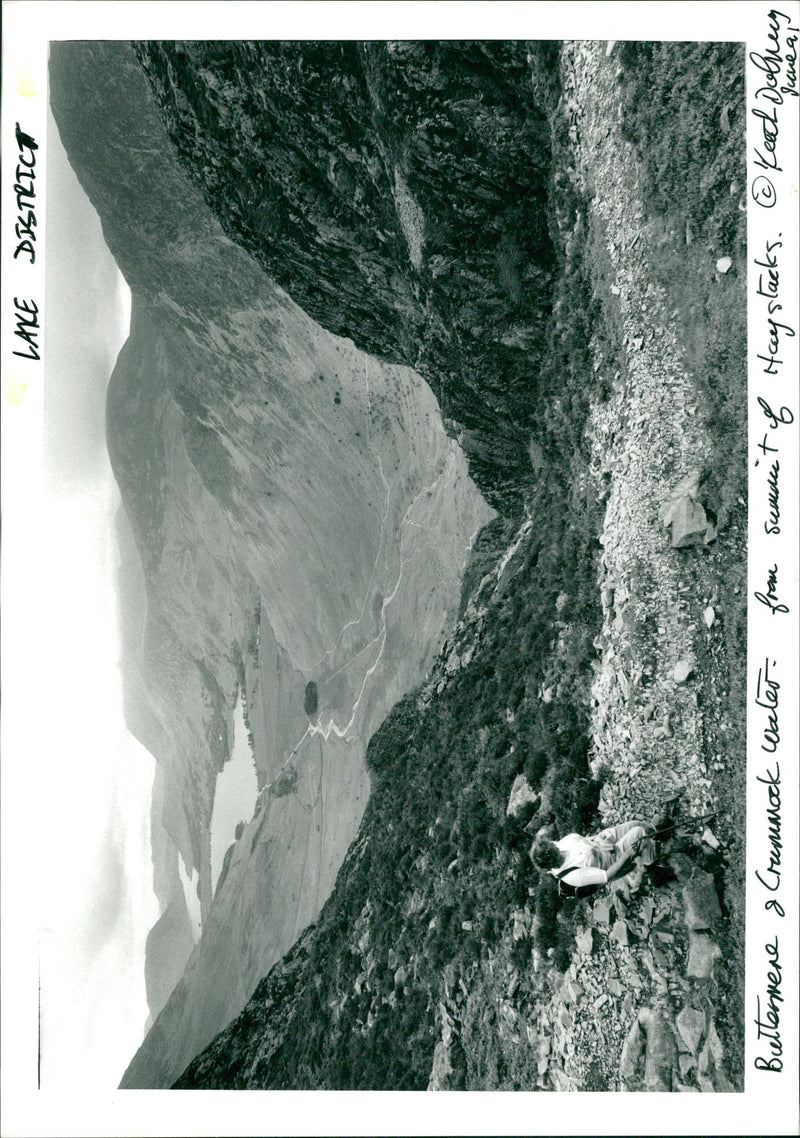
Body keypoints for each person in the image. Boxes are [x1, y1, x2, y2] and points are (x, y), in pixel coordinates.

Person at [531, 819, 658, 892]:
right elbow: (607, 876)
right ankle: (651, 865)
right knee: (638, 834)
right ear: (554, 857)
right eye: (552, 846)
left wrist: (598, 839)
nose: (555, 844)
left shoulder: (558, 846)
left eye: (552, 843)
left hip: (599, 842)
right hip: (609, 861)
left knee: (636, 825)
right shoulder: (573, 876)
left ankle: (656, 832)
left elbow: (580, 841)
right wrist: (626, 855)